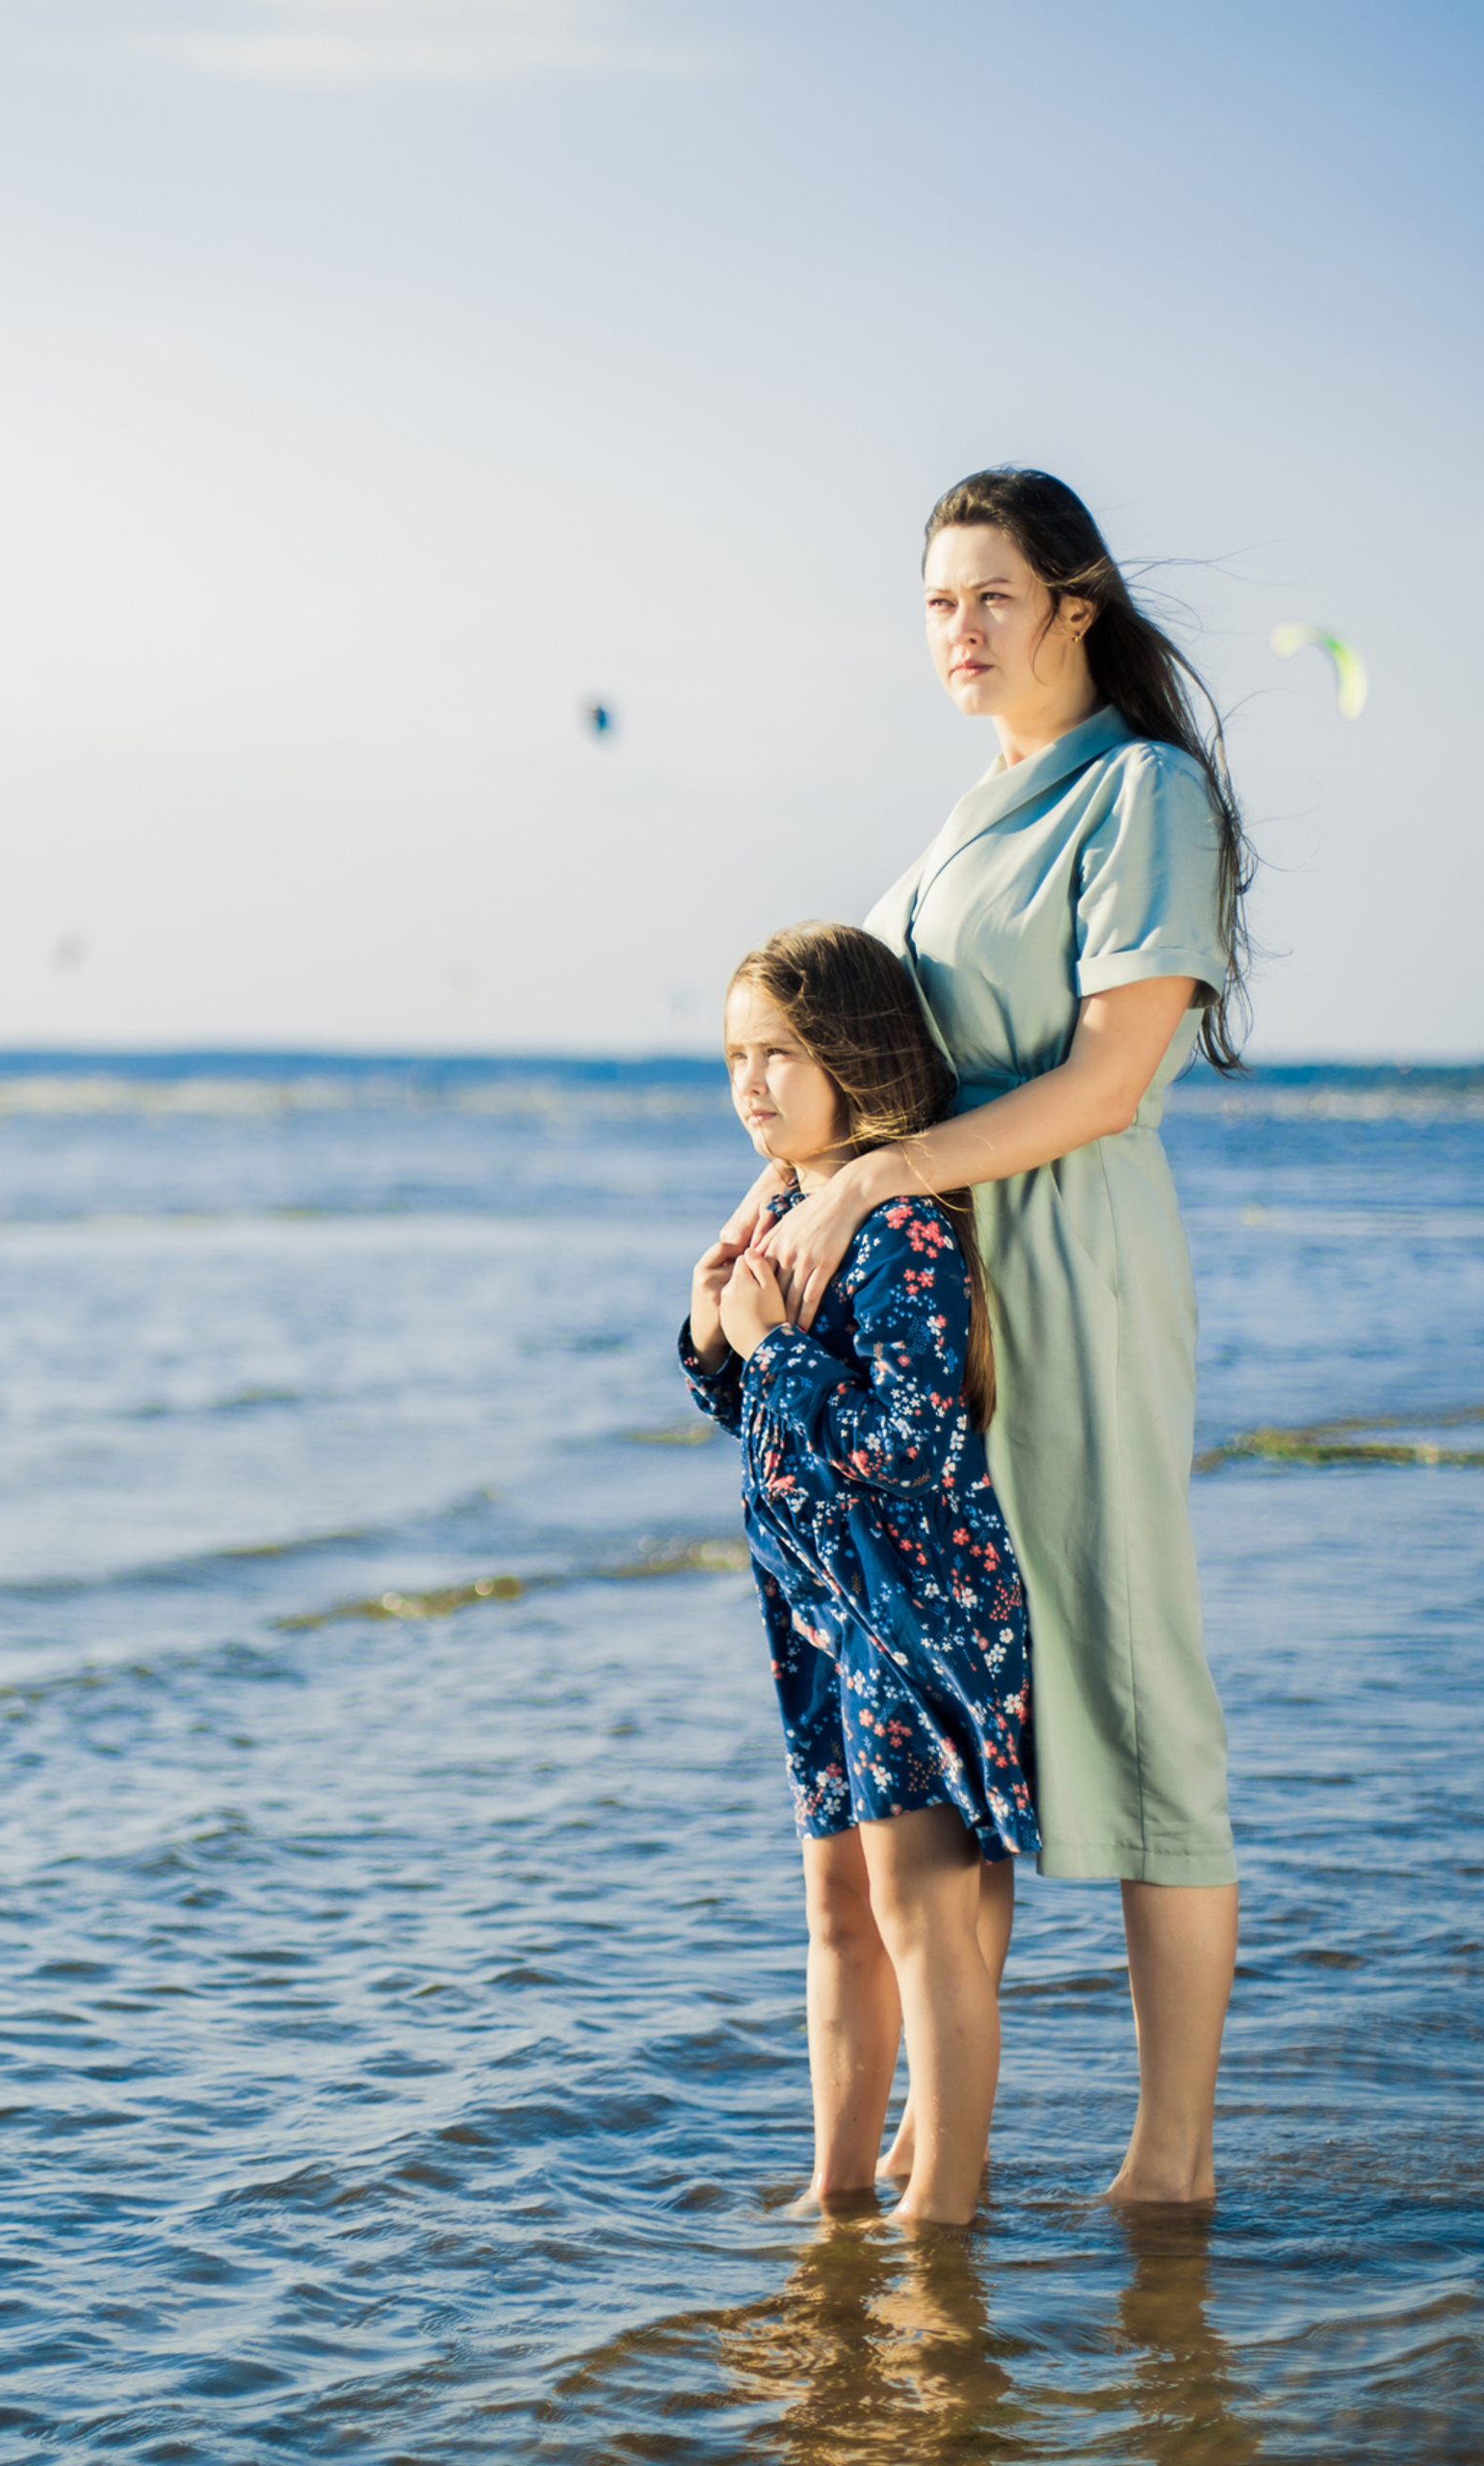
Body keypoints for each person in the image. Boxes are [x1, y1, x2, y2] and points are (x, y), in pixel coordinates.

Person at [734, 467, 1249, 2206]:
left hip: (1073, 1269)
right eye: (937, 604)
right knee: (958, 1700)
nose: (957, 631)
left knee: (1127, 1678)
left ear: (1075, 608)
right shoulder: (971, 810)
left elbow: (1106, 1079)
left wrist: (879, 1176)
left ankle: (1167, 2161)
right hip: (932, 1287)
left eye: (992, 598)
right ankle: (929, 2140)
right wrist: (774, 1204)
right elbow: (879, 1070)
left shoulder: (1144, 791)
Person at [685, 923, 1039, 2229]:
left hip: (916, 1616)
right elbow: (774, 1429)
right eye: (736, 1055)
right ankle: (838, 2185)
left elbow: (906, 1445)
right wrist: (713, 1338)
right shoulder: (783, 1211)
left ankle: (940, 2207)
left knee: (919, 1909)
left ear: (860, 1055)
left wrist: (772, 1348)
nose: (751, 1082)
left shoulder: (903, 1232)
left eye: (781, 1052)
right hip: (820, 1619)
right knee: (838, 1905)